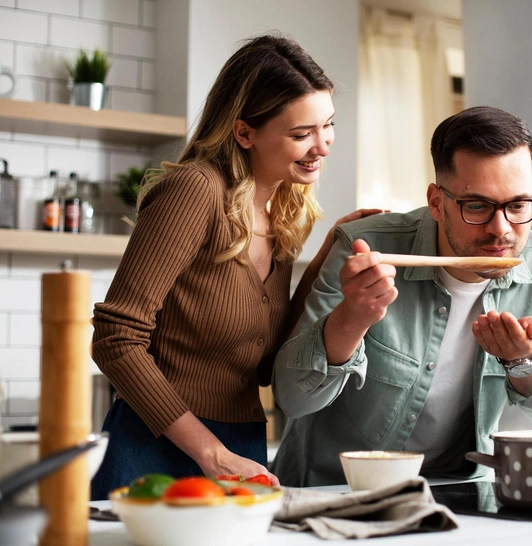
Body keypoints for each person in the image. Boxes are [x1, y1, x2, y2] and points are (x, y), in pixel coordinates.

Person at [91, 34, 379, 499]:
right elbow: (115, 339)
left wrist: (330, 250)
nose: (322, 146)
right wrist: (211, 452)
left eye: (327, 125)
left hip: (242, 443)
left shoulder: (285, 209)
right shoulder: (195, 190)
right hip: (155, 447)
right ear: (244, 133)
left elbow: (268, 360)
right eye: (301, 134)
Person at [270, 106, 532, 486]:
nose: (500, 229)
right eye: (477, 206)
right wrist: (352, 318)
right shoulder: (367, 248)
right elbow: (292, 398)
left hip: (456, 491)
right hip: (333, 489)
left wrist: (524, 361)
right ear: (437, 202)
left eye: (518, 205)